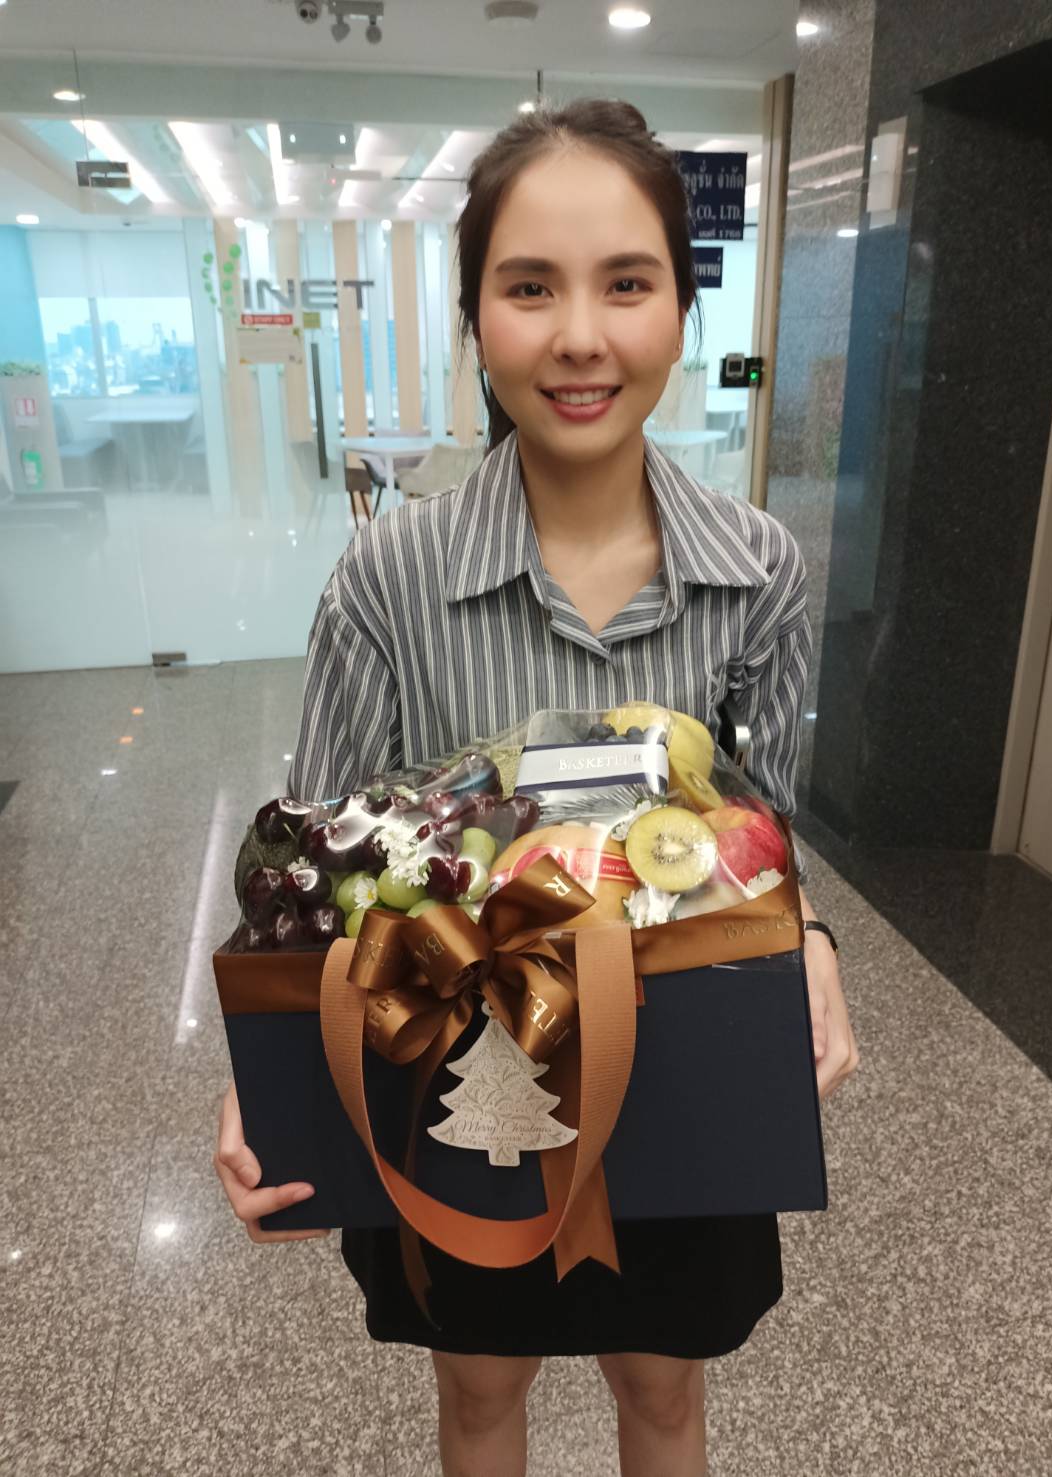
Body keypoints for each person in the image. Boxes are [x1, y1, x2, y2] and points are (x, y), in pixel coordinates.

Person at [215, 98, 859, 1477]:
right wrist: (264, 1070)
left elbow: (769, 830)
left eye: (626, 282)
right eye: (528, 287)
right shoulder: (388, 579)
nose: (579, 335)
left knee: (666, 1395)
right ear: (474, 319)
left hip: (681, 1066)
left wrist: (807, 939)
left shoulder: (758, 571)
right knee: (478, 1392)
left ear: (681, 308)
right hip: (462, 1081)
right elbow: (308, 876)